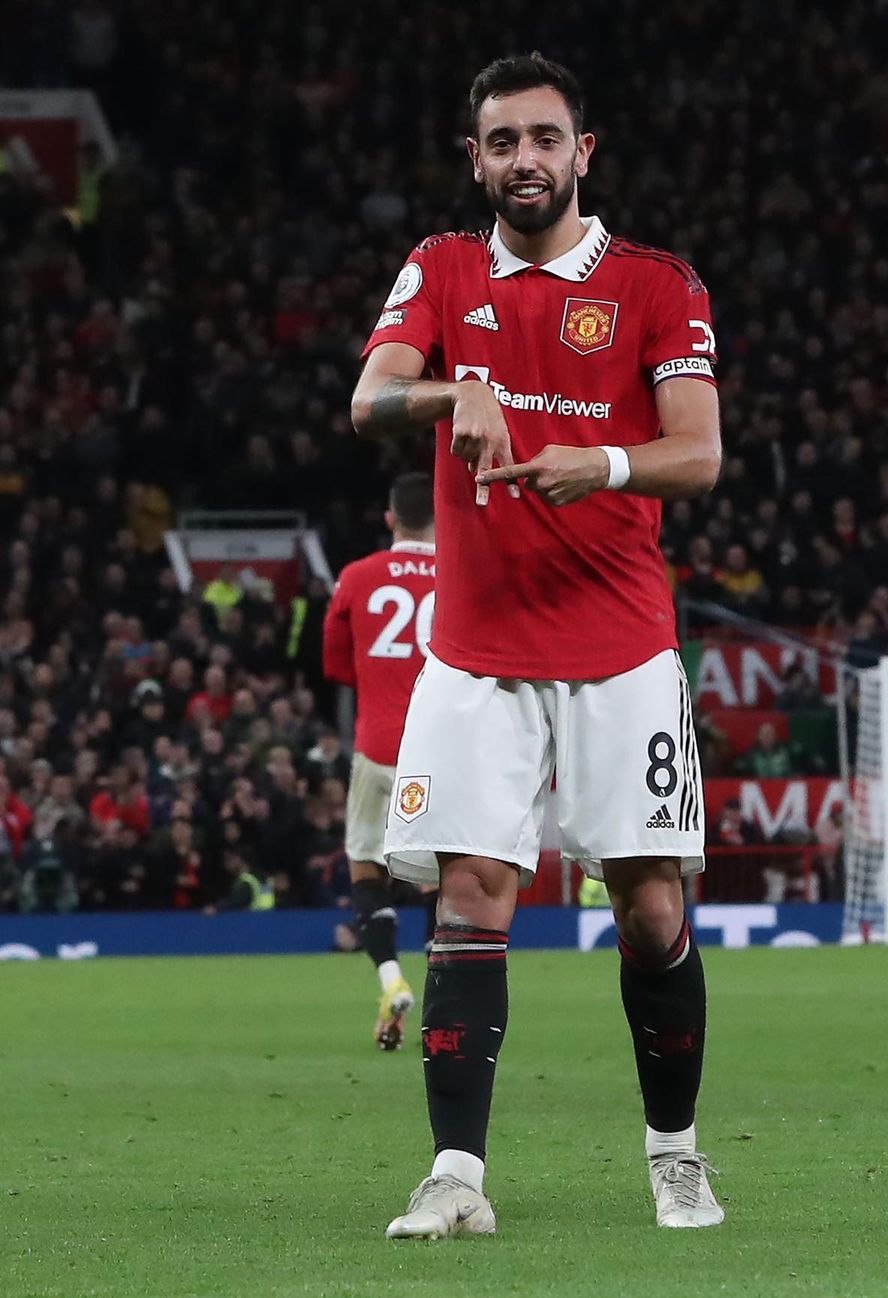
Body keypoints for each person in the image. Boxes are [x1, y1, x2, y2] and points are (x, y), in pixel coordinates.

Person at [351, 54, 723, 1236]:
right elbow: (369, 397)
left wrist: (598, 462)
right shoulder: (441, 268)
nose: (526, 159)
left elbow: (699, 452)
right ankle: (456, 1174)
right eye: (503, 141)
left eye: (545, 138)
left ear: (582, 153)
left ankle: (676, 1155)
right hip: (476, 652)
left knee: (651, 907)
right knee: (471, 894)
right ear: (476, 159)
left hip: (622, 648)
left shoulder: (658, 284)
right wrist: (450, 394)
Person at [322, 472, 437, 1050]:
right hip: (441, 751)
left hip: (378, 747)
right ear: (439, 517)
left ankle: (391, 980)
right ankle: (444, 1012)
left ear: (391, 518)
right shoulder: (460, 575)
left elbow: (335, 667)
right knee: (444, 882)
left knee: (367, 868)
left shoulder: (357, 577)